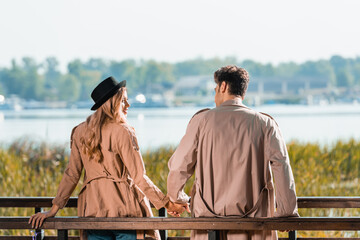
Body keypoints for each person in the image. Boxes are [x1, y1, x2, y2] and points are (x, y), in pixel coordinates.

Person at [29, 76, 187, 240]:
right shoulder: (124, 131)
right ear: (113, 103)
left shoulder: (79, 131)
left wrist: (54, 209)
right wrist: (166, 203)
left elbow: (72, 174)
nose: (128, 105)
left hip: (93, 211)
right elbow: (139, 177)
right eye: (124, 101)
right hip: (125, 212)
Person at [167, 65, 299, 240]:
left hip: (208, 225)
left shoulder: (201, 121)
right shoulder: (266, 124)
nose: (215, 97)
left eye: (215, 90)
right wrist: (286, 213)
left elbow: (179, 166)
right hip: (254, 224)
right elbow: (282, 168)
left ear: (223, 87)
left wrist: (178, 198)